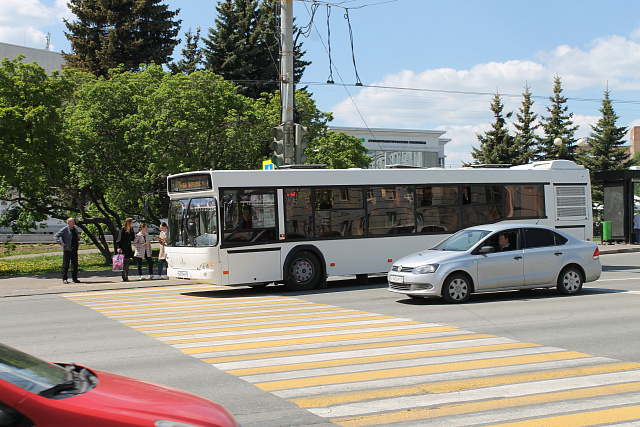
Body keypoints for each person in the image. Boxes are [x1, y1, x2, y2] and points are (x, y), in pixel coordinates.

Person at [54, 218, 82, 284]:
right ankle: (64, 279)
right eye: (72, 222)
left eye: (73, 222)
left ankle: (75, 279)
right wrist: (60, 243)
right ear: (68, 223)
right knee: (66, 265)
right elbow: (56, 236)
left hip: (74, 249)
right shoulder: (65, 229)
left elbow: (74, 238)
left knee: (75, 265)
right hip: (67, 249)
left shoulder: (75, 229)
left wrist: (78, 238)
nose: (73, 223)